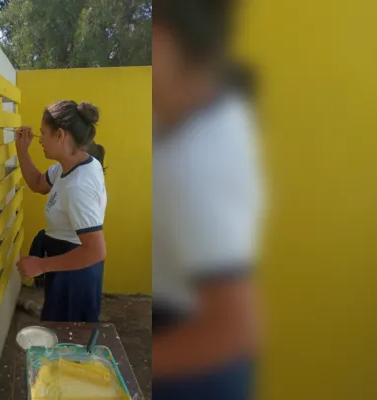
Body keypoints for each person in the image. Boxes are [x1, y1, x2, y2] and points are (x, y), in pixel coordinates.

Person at [152, 0, 265, 399]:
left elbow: (233, 327)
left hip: (197, 368)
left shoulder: (200, 159)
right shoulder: (208, 120)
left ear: (164, 44)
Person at [14, 100, 107, 323]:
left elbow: (95, 251)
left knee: (67, 340)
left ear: (60, 135)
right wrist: (21, 151)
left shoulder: (78, 186)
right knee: (63, 336)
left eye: (43, 133)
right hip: (67, 266)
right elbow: (38, 183)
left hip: (75, 273)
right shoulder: (72, 164)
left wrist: (40, 265)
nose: (40, 140)